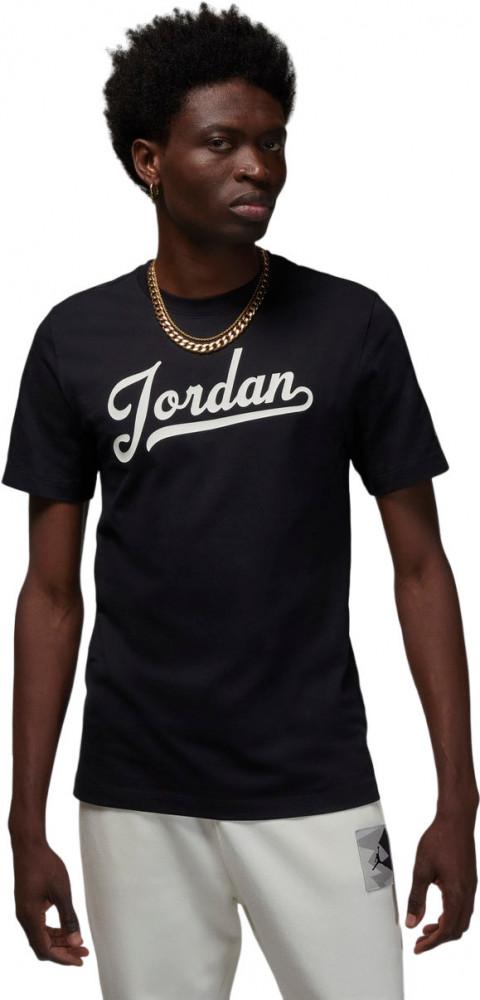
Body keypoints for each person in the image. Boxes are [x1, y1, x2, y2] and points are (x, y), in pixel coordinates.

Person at [3, 4, 478, 999]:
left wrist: (458, 796)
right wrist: (24, 820)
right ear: (149, 160)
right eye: (222, 142)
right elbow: (49, 593)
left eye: (272, 141)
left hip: (312, 781)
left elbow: (421, 566)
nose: (257, 166)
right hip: (136, 795)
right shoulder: (74, 340)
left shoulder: (351, 325)